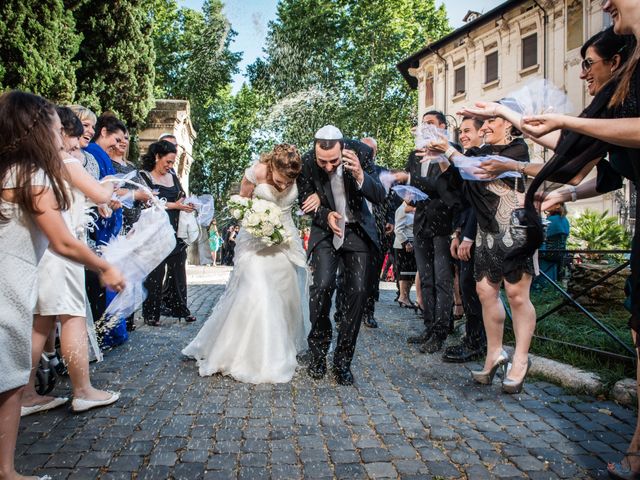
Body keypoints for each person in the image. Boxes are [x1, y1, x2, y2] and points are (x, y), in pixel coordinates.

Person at [518, 2, 640, 475]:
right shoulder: (617, 100)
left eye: (587, 63)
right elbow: (594, 163)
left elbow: (582, 143)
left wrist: (566, 123)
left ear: (614, 62)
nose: (582, 70)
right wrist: (563, 187)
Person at [0, 90, 124, 480]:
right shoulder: (33, 175)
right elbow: (63, 241)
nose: (63, 133)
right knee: (7, 381)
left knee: (9, 377)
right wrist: (104, 267)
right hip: (10, 279)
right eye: (56, 126)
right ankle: (6, 471)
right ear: (37, 129)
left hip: (14, 274)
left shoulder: (12, 169)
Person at [428, 102, 536, 394]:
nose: (485, 126)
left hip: (515, 229)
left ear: (510, 124)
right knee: (486, 292)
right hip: (487, 231)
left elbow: (479, 171)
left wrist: (450, 152)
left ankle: (521, 360)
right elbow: (453, 183)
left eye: (491, 121)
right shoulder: (478, 151)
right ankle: (494, 353)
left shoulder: (518, 150)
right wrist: (441, 156)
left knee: (516, 294)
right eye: (484, 122)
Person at [22, 106, 121, 416]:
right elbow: (98, 190)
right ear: (61, 134)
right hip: (64, 251)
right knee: (73, 316)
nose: (79, 147)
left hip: (47, 252)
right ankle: (83, 390)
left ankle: (25, 393)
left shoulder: (45, 165)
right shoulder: (64, 160)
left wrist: (99, 199)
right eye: (76, 140)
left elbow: (78, 197)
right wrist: (108, 188)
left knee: (42, 322)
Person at [182, 144, 308, 383]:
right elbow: (240, 203)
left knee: (284, 293)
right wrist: (258, 222)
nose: (283, 186)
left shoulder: (294, 172)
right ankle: (247, 355)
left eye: (288, 183)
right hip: (254, 241)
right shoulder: (256, 172)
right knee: (257, 291)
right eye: (280, 181)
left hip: (284, 241)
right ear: (272, 167)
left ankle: (276, 349)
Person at [297, 125, 386, 386]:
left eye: (333, 161)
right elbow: (303, 198)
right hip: (326, 231)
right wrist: (325, 214)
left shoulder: (362, 152)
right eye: (321, 161)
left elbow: (379, 195)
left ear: (343, 148)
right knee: (322, 287)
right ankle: (317, 354)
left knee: (357, 293)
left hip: (357, 230)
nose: (326, 166)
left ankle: (343, 360)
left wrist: (359, 173)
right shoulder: (307, 162)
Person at [404, 111, 461, 354]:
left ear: (442, 127)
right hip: (421, 221)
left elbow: (450, 189)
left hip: (444, 223)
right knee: (425, 279)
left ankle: (441, 331)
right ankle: (428, 326)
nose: (425, 127)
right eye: (423, 123)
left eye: (430, 124)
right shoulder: (414, 156)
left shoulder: (452, 151)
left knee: (442, 280)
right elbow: (414, 187)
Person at [442, 116, 487, 363]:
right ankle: (473, 339)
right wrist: (458, 233)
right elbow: (459, 200)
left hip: (481, 232)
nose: (463, 135)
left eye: (468, 130)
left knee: (474, 287)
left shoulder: (479, 159)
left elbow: (477, 205)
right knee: (468, 286)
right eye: (461, 131)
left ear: (482, 132)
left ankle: (477, 342)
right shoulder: (467, 159)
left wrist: (468, 236)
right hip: (465, 228)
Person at [139, 140, 196, 326]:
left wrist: (186, 203)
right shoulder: (144, 176)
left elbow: (181, 195)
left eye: (173, 162)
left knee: (178, 271)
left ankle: (181, 308)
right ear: (157, 157)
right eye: (168, 162)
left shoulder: (173, 176)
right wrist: (174, 205)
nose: (171, 166)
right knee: (155, 273)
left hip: (176, 229)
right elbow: (148, 202)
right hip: (155, 230)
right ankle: (151, 314)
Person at [393, 202, 417, 308]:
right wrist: (406, 242)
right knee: (404, 272)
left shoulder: (412, 209)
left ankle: (406, 297)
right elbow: (398, 229)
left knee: (410, 273)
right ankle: (403, 297)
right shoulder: (401, 209)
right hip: (403, 245)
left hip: (412, 243)